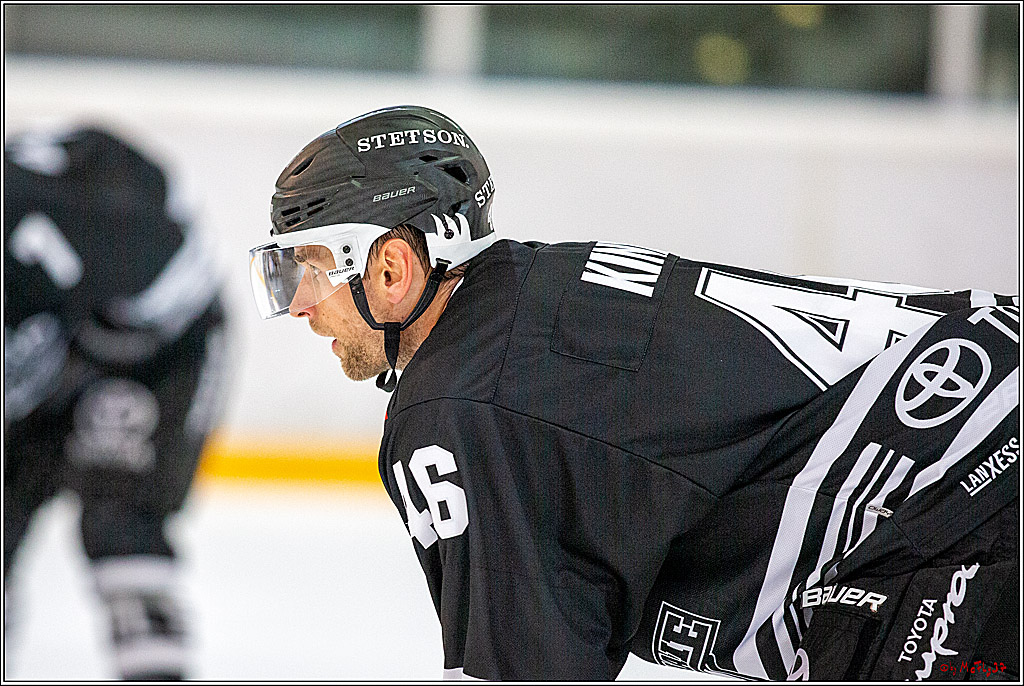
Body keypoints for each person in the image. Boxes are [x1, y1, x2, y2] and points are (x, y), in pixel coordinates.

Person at [248, 106, 1019, 681]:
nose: (300, 305)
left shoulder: (456, 410)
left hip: (958, 508)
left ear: (390, 268)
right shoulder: (531, 288)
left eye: (307, 268)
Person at [4, 126, 228, 680]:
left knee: (118, 522)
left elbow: (185, 282)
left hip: (157, 350)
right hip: (65, 331)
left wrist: (90, 346)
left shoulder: (88, 222)